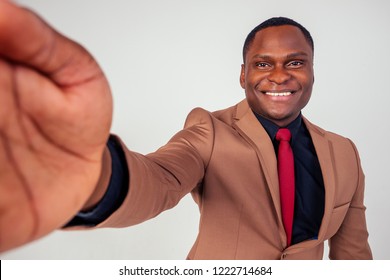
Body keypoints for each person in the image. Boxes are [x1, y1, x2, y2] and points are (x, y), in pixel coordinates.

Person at [0, 1, 372, 259]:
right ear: (243, 75)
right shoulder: (209, 130)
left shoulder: (343, 152)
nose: (279, 75)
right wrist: (89, 176)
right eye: (262, 64)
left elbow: (353, 254)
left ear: (311, 71)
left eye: (295, 62)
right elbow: (160, 178)